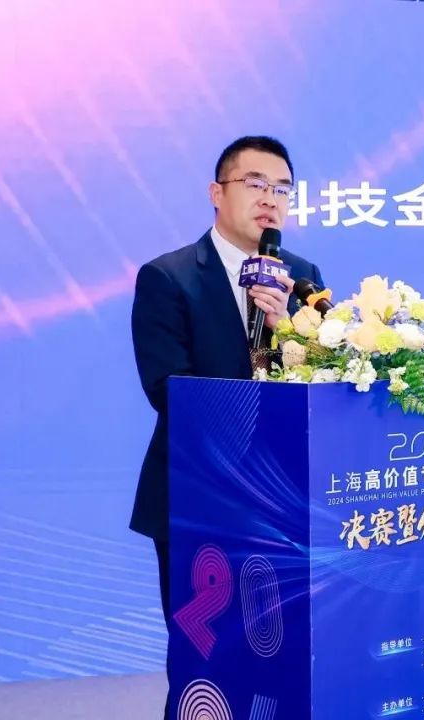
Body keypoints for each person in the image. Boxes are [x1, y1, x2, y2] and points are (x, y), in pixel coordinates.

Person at [129, 136, 323, 717]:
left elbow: (325, 380)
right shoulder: (169, 277)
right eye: (255, 183)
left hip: (284, 500)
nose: (270, 199)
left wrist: (287, 330)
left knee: (281, 656)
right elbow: (168, 389)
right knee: (207, 658)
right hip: (200, 496)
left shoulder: (302, 277)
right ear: (217, 193)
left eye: (282, 188)